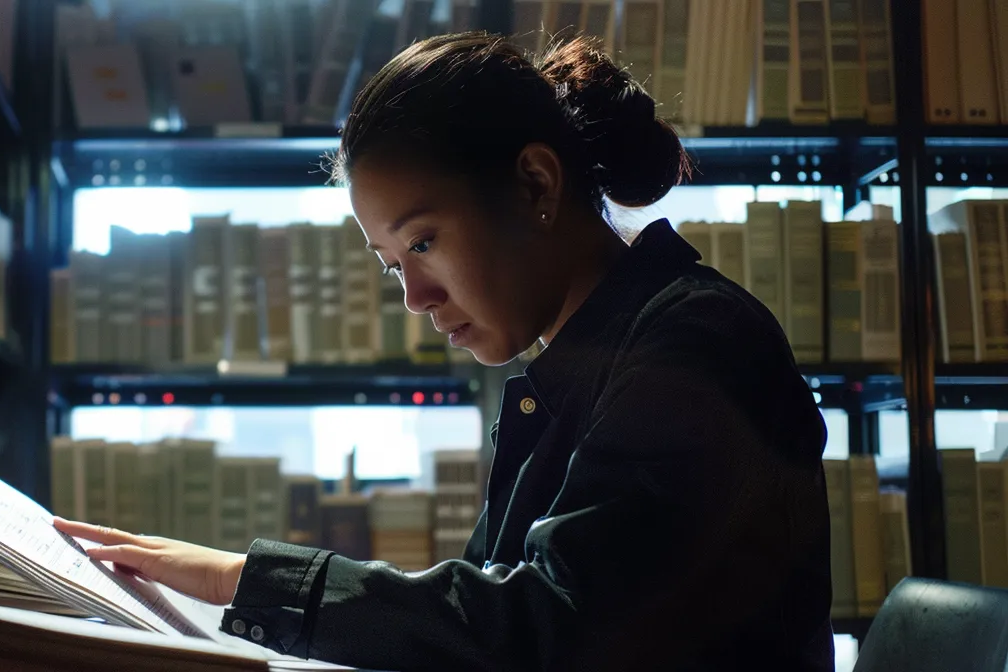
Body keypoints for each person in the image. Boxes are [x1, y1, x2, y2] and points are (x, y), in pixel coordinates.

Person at [54, 33, 832, 671]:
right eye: (394, 264)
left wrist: (240, 581)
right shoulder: (575, 369)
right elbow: (488, 621)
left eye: (424, 242)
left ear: (534, 185)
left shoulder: (695, 343)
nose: (415, 299)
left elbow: (552, 636)